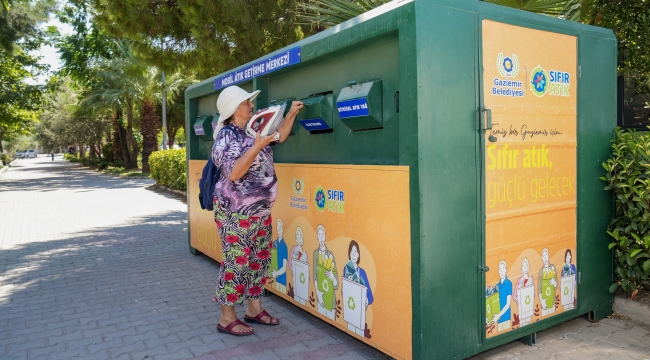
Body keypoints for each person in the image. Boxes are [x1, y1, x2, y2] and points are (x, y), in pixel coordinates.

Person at [212, 85, 303, 336]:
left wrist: (292, 114)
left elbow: (280, 136)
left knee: (258, 261)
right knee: (236, 263)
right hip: (236, 212)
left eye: (250, 102)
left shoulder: (253, 130)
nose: (251, 106)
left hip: (260, 211)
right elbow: (234, 172)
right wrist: (256, 146)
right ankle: (226, 317)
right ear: (233, 109)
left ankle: (254, 310)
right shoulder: (226, 137)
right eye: (245, 103)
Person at [343, 240, 374, 336]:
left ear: (358, 255)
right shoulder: (346, 269)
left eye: (355, 252)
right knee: (350, 327)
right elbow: (343, 291)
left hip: (360, 312)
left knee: (359, 330)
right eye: (352, 251)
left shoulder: (362, 273)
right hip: (350, 309)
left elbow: (370, 297)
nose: (353, 254)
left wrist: (366, 300)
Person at [313, 224, 338, 320]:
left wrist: (332, 277)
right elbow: (314, 275)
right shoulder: (315, 254)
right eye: (319, 235)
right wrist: (318, 292)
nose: (321, 238)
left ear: (326, 236)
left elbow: (336, 284)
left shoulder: (331, 255)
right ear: (317, 237)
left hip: (330, 297)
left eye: (322, 235)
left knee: (331, 316)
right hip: (321, 294)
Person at [512, 258, 534, 326]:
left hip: (528, 307)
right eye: (524, 266)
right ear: (522, 268)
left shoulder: (531, 279)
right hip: (521, 308)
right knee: (522, 323)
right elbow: (514, 295)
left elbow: (533, 294)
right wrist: (518, 300)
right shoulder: (519, 280)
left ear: (528, 267)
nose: (525, 268)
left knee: (528, 322)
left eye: (526, 266)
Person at [493, 260, 512, 332]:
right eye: (500, 269)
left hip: (505, 317)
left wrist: (498, 315)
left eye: (503, 269)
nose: (501, 271)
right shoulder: (497, 286)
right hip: (499, 318)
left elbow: (508, 304)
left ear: (506, 270)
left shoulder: (508, 283)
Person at [538, 248, 558, 316]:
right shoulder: (541, 271)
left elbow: (556, 286)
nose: (545, 258)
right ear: (542, 258)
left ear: (548, 256)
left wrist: (554, 282)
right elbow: (539, 289)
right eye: (544, 256)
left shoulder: (553, 268)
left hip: (551, 301)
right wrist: (542, 301)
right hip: (544, 302)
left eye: (546, 255)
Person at [271, 219, 288, 294]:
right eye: (278, 227)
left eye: (280, 227)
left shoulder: (284, 246)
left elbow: (284, 268)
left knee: (282, 291)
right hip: (274, 276)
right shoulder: (274, 243)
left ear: (282, 229)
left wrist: (276, 273)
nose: (279, 229)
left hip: (282, 279)